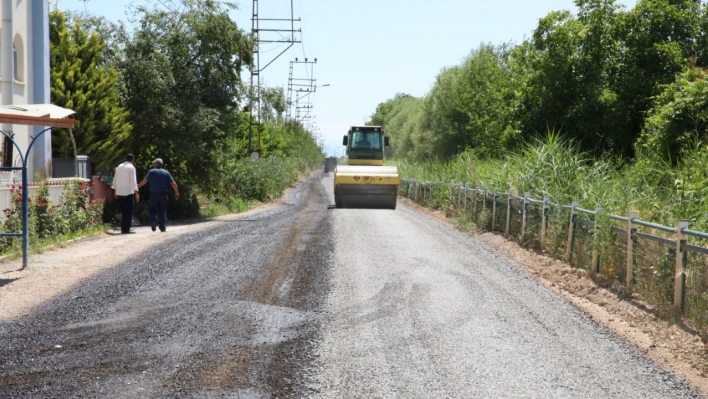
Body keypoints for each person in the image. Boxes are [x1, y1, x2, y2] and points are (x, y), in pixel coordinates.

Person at [138, 158, 179, 232]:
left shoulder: (152, 171)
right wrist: (177, 192)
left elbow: (145, 181)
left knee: (151, 209)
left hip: (154, 194)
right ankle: (162, 228)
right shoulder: (166, 172)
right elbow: (173, 183)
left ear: (156, 164)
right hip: (164, 195)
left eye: (154, 163)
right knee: (163, 210)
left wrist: (138, 186)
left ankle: (153, 220)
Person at [112, 154, 140, 234]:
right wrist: (136, 192)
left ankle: (123, 228)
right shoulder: (131, 167)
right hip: (128, 192)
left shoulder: (119, 166)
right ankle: (126, 229)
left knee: (123, 211)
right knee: (128, 212)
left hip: (120, 192)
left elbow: (115, 179)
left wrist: (115, 191)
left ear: (125, 159)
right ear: (133, 160)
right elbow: (133, 180)